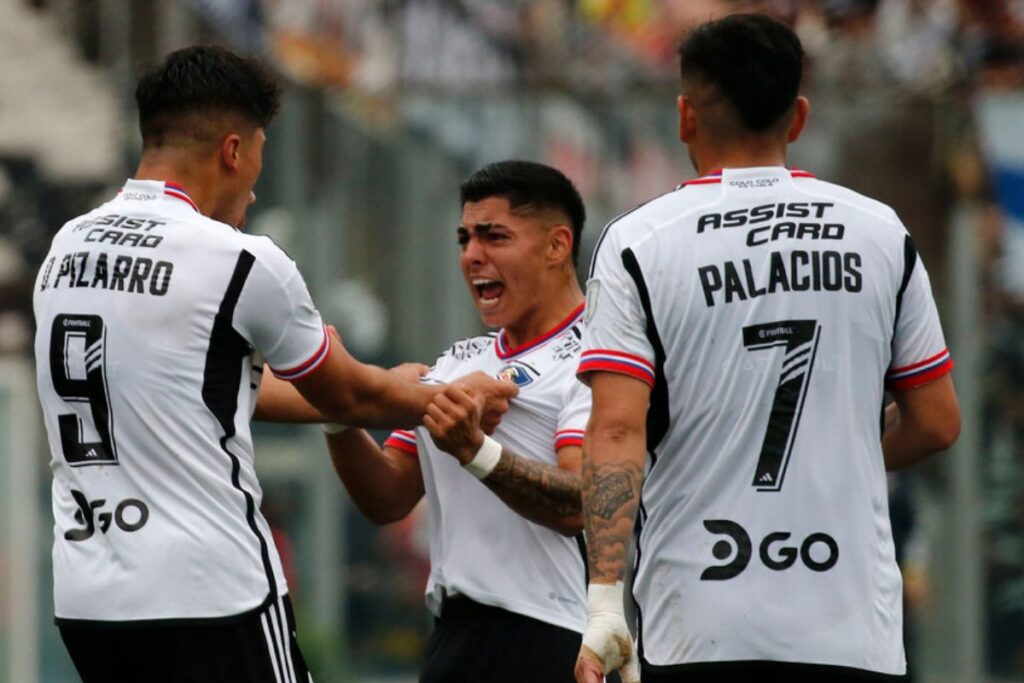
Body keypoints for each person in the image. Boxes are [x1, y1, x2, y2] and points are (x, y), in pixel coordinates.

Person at [32, 45, 514, 683]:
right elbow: (350, 398)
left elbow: (192, 389)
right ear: (233, 151)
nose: (256, 187)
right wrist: (446, 393)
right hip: (208, 591)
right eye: (257, 156)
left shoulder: (66, 248)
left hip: (89, 597)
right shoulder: (237, 260)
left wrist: (394, 391)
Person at [573, 13, 960, 683]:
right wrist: (844, 449)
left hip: (698, 623)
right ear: (799, 115)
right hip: (850, 629)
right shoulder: (879, 233)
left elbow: (615, 427)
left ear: (685, 116)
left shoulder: (639, 241)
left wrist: (605, 597)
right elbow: (936, 420)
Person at [327, 160, 592, 682]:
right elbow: (387, 497)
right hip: (454, 637)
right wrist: (337, 413)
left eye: (494, 237)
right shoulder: (456, 362)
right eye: (465, 238)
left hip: (547, 635)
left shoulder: (596, 355)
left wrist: (475, 452)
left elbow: (582, 504)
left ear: (557, 246)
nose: (473, 255)